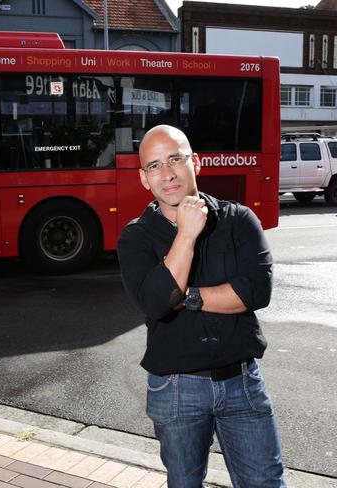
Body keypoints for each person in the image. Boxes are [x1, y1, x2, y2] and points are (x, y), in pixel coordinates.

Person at [117, 125, 286, 487]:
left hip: (241, 380)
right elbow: (156, 303)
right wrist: (187, 234)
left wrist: (186, 296)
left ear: (195, 162)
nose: (167, 174)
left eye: (175, 159)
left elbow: (255, 292)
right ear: (144, 179)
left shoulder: (239, 220)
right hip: (175, 389)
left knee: (265, 482)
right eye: (154, 166)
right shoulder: (136, 236)